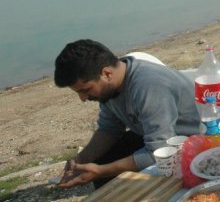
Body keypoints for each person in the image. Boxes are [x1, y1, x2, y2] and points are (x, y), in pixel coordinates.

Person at [54, 39, 200, 188]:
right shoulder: (110, 88)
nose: (83, 99)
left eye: (85, 90)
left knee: (108, 171)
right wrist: (81, 159)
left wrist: (101, 171)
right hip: (161, 135)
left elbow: (158, 152)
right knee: (105, 156)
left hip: (197, 140)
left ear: (107, 73)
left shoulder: (149, 85)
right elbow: (109, 129)